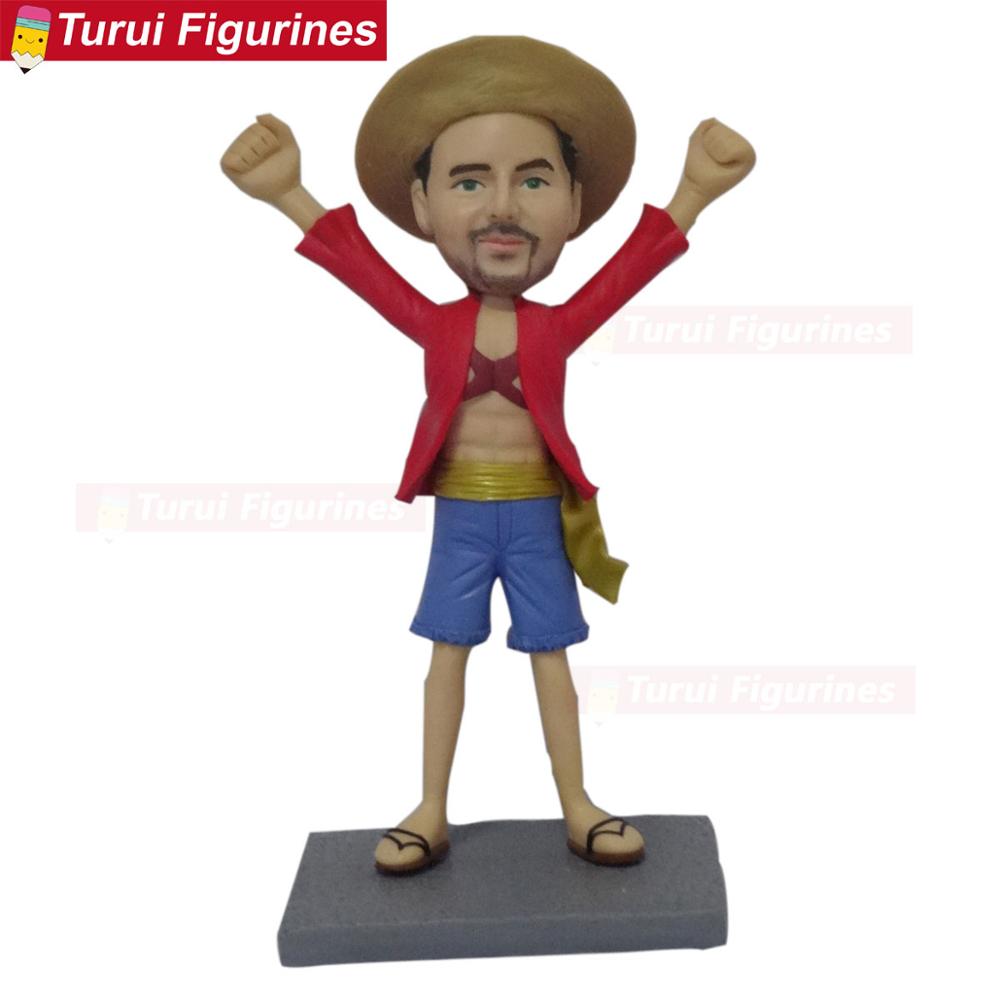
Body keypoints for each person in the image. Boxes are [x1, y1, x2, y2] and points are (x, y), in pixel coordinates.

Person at [221, 36, 755, 874]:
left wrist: (695, 192)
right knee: (447, 654)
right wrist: (287, 192)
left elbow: (630, 270)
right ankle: (429, 809)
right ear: (423, 204)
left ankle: (578, 805)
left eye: (533, 181)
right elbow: (359, 269)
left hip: (538, 516)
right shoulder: (435, 324)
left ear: (574, 204)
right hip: (462, 518)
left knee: (552, 657)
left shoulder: (555, 326)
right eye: (469, 181)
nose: (502, 208)